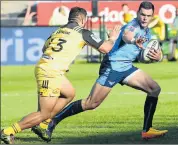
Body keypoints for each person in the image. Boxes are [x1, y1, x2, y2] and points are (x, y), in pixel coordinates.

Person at [32, 2, 168, 142]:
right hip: (113, 66)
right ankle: (51, 122)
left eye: (148, 16)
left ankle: (147, 130)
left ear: (152, 16)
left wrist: (158, 57)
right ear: (138, 13)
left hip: (126, 67)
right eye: (142, 15)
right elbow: (127, 36)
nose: (145, 18)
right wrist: (134, 40)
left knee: (154, 89)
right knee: (91, 103)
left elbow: (141, 55)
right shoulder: (132, 25)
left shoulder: (147, 31)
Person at [0, 7, 121, 144]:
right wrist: (112, 38)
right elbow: (105, 48)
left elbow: (44, 48)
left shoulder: (58, 31)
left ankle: (44, 125)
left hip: (50, 68)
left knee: (69, 93)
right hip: (50, 72)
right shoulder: (82, 32)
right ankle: (8, 131)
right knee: (43, 113)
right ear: (83, 19)